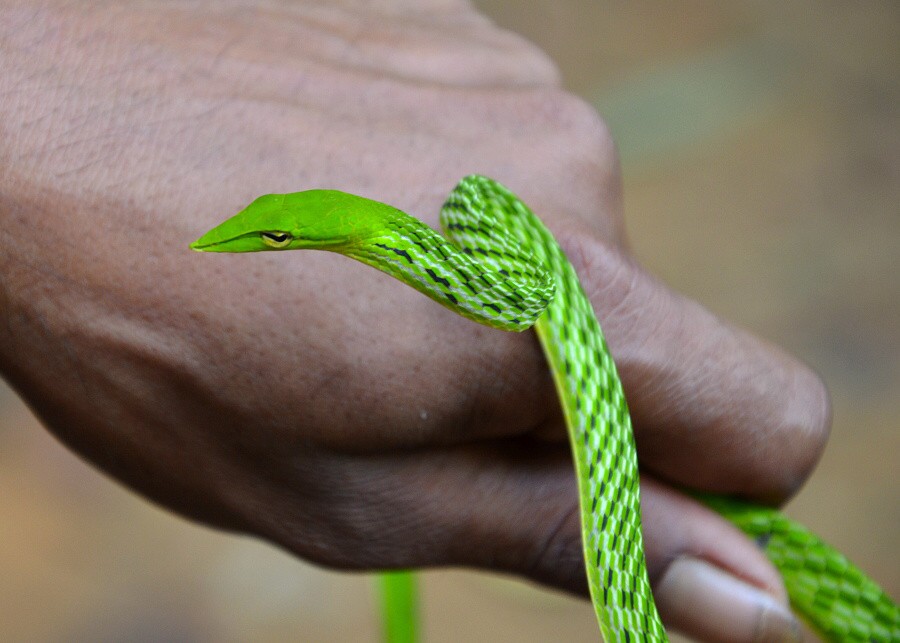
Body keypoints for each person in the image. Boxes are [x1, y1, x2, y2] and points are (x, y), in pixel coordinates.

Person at [0, 2, 830, 640]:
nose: (260, 242)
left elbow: (512, 293)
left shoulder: (488, 282)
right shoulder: (425, 251)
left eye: (278, 235)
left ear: (345, 232)